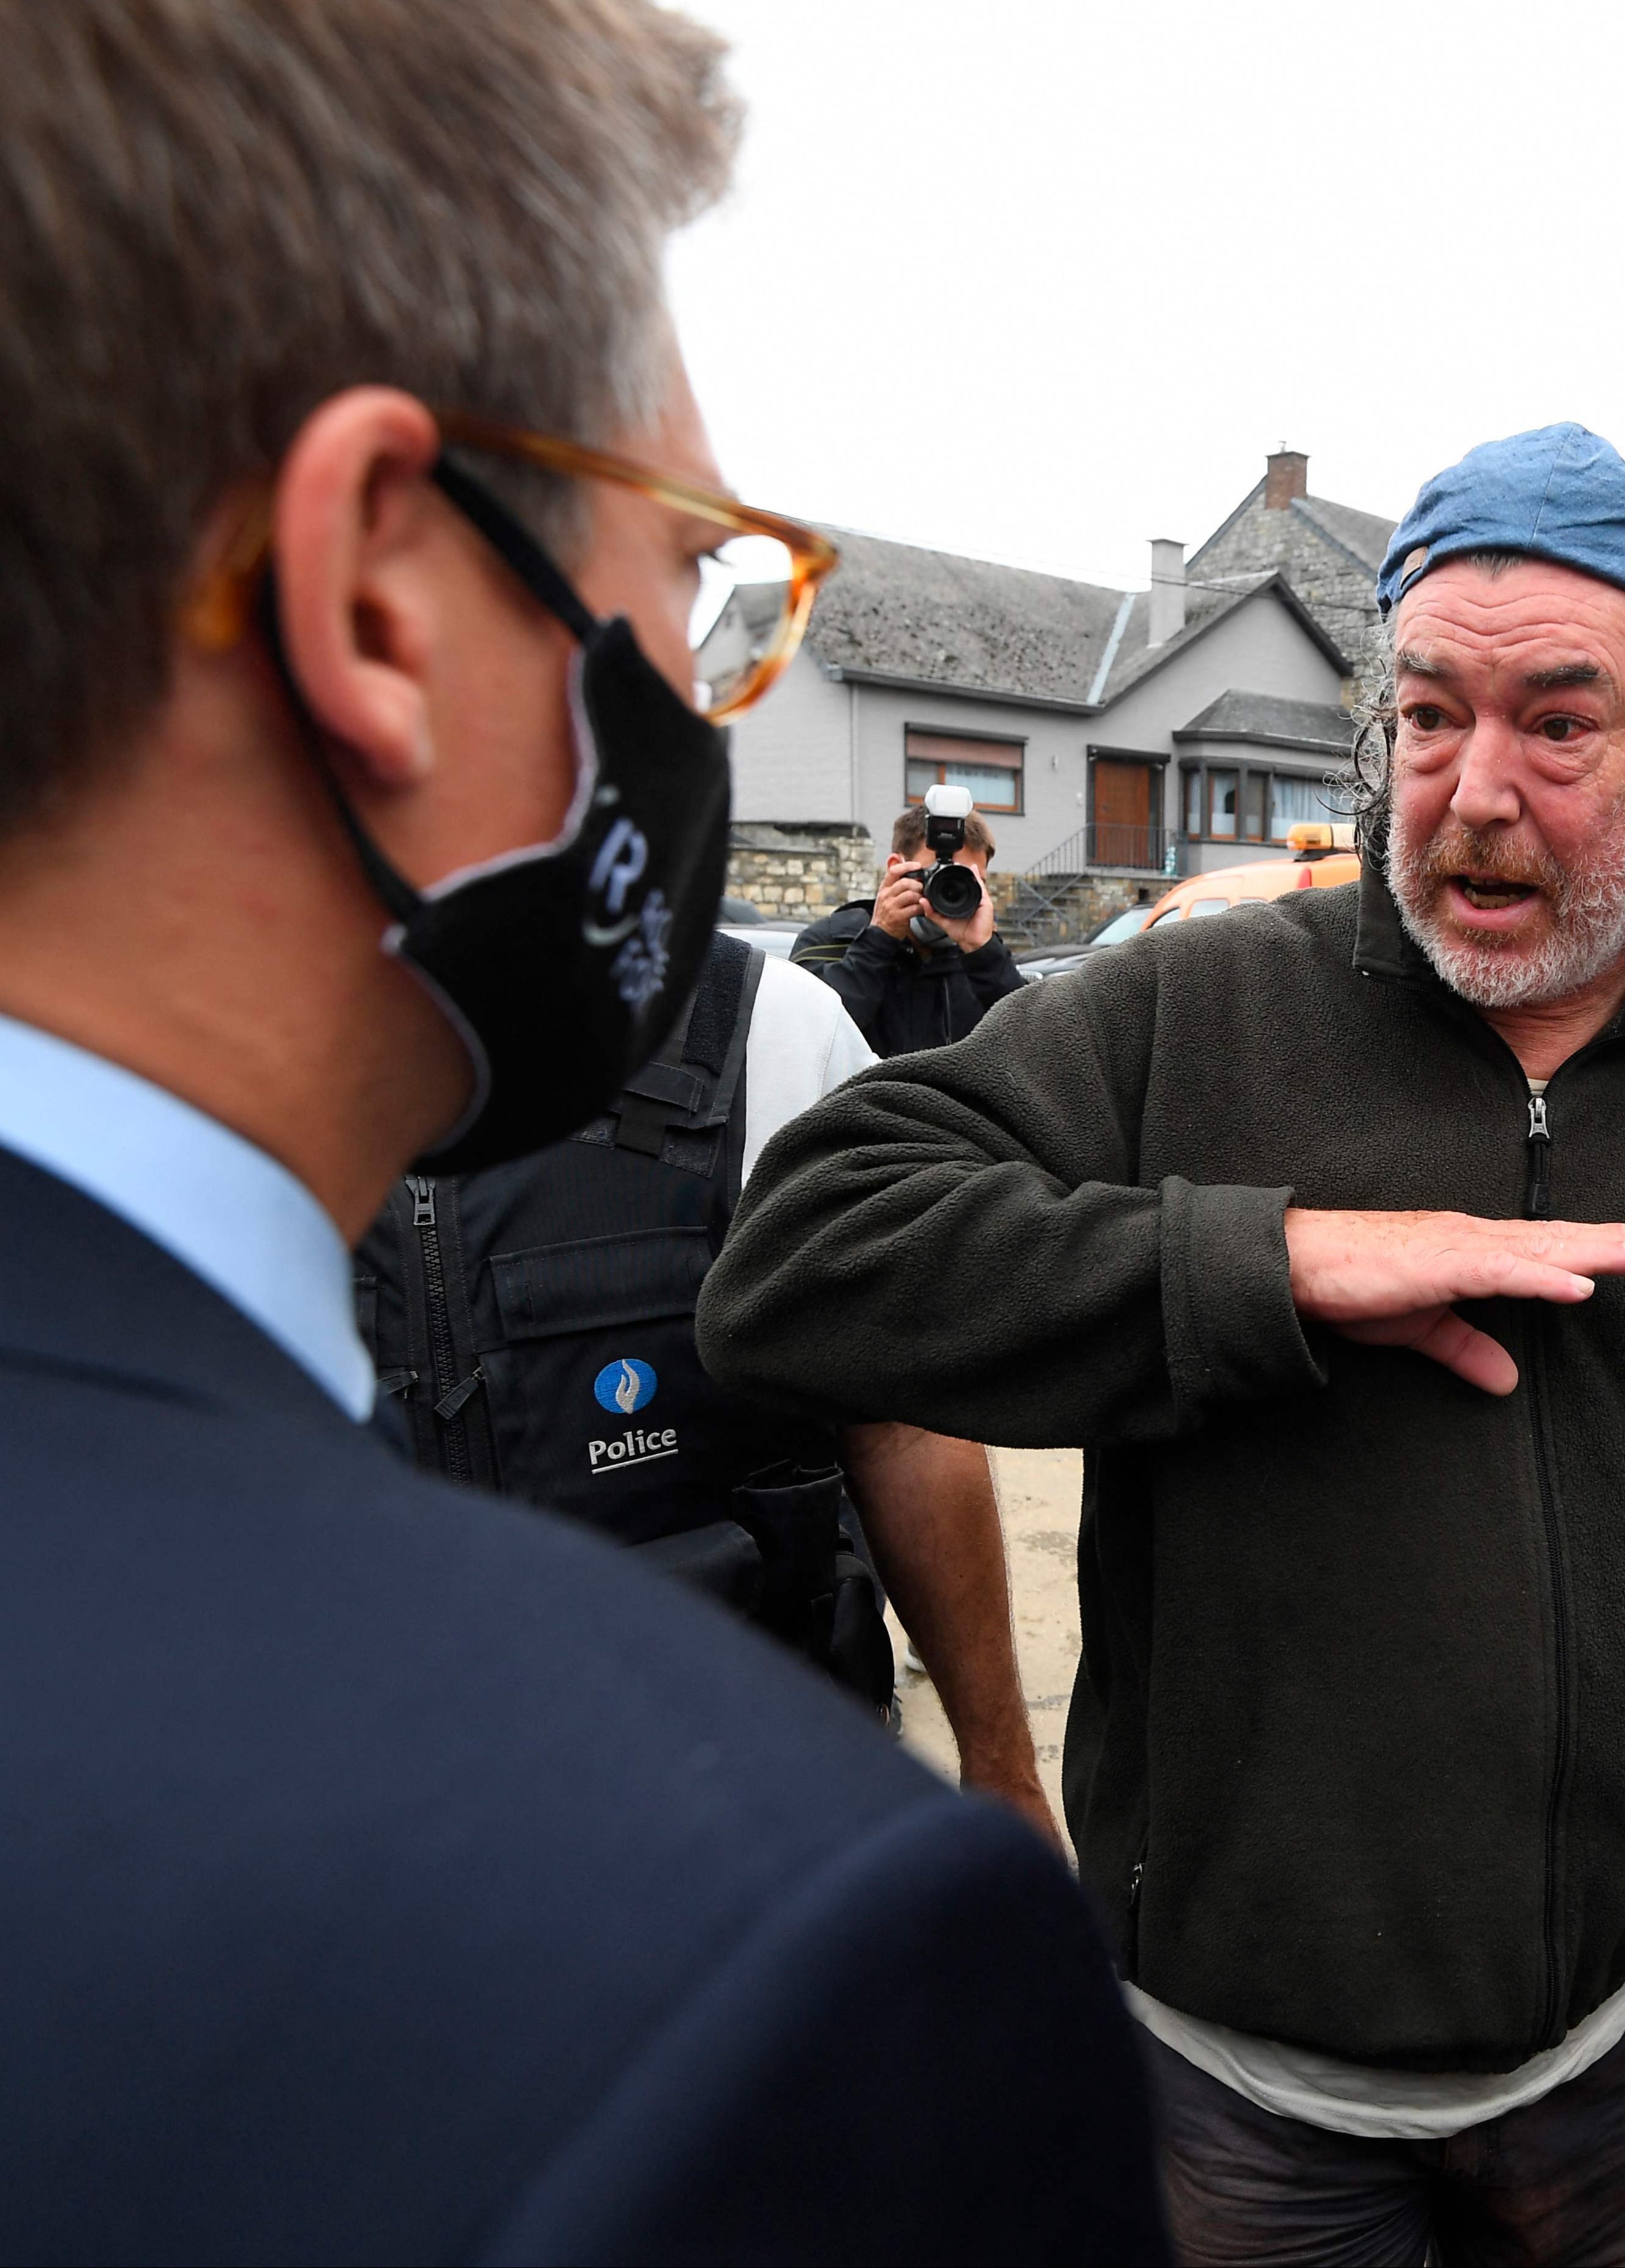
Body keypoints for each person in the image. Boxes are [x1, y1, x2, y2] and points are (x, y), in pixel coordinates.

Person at [0, 6, 1161, 2256]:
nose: (698, 677)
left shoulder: (776, 1031)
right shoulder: (793, 1966)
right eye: (684, 559)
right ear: (374, 596)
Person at [698, 422, 1625, 2266]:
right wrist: (1266, 1264)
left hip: (1612, 2050)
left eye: (1556, 720)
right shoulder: (1196, 1010)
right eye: (1428, 715)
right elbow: (799, 1268)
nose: (1472, 790)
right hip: (1239, 2091)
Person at [355, 927, 1061, 1834]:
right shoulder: (168, 1060)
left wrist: (1001, 1770)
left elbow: (901, 1429)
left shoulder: (768, 1028)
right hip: (366, 1818)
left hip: (755, 1800)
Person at [794, 800, 1023, 1054]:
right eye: (936, 874)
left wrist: (984, 953)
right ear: (897, 868)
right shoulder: (830, 942)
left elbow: (1033, 1050)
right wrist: (879, 939)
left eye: (969, 879)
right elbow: (808, 1040)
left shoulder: (983, 960)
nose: (949, 889)